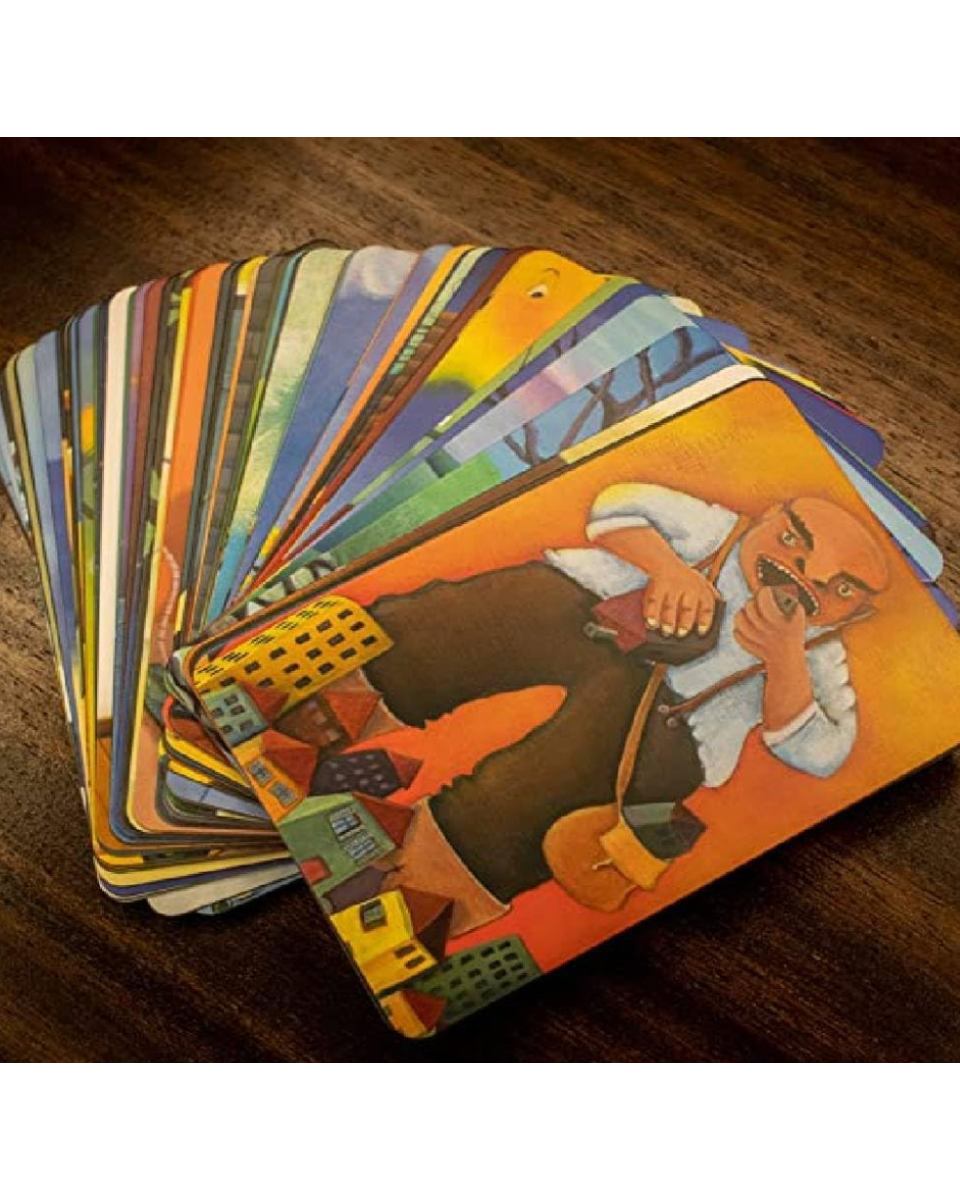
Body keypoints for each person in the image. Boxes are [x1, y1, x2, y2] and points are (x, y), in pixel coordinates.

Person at [359, 484, 890, 936]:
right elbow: (617, 502)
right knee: (473, 622)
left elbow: (823, 754)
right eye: (793, 541)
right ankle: (339, 695)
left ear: (857, 610)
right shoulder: (717, 530)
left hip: (676, 723)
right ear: (770, 517)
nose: (802, 576)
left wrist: (785, 660)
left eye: (839, 588)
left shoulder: (819, 653)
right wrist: (668, 570)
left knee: (534, 803)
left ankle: (411, 902)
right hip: (594, 609)